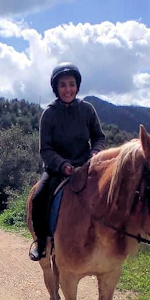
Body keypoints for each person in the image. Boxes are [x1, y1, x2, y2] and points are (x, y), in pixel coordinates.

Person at [29, 62, 107, 261]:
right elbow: (45, 149)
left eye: (71, 84)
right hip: (57, 169)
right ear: (56, 88)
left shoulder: (87, 110)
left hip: (87, 167)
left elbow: (99, 137)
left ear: (77, 86)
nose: (68, 89)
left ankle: (111, 239)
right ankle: (40, 242)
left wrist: (95, 152)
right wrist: (63, 165)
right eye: (63, 85)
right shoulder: (49, 114)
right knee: (38, 198)